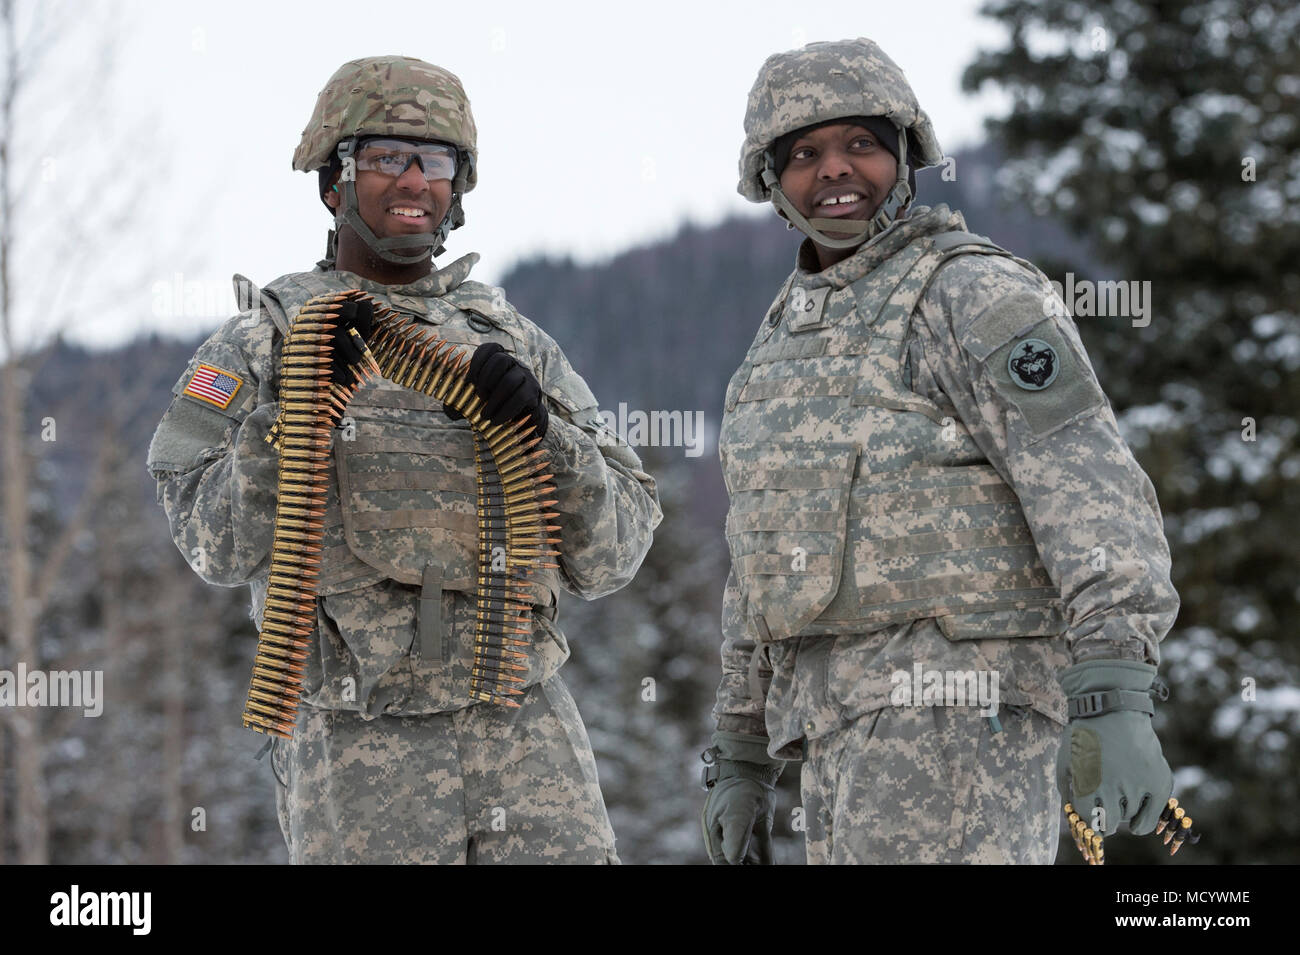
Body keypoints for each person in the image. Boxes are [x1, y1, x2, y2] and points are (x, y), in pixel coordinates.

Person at [146, 55, 662, 864]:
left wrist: (545, 433)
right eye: (387, 157)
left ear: (459, 186)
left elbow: (617, 549)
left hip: (524, 727)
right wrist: (295, 418)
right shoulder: (266, 340)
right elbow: (213, 543)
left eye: (436, 161)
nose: (415, 181)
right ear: (335, 181)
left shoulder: (513, 340)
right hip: (358, 743)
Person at [700, 38, 1179, 864]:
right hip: (834, 734)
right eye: (806, 153)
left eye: (862, 144)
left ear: (906, 156)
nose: (836, 171)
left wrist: (1114, 686)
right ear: (773, 182)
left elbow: (1086, 487)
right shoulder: (776, 347)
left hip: (966, 717)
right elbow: (760, 561)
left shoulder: (969, 293)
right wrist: (742, 747)